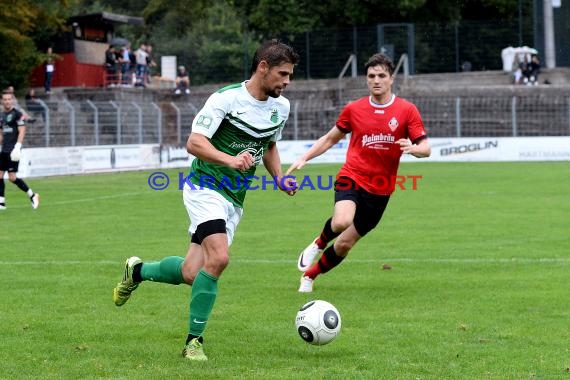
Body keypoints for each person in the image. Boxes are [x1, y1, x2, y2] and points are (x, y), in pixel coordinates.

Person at [112, 40, 299, 361]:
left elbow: (269, 146)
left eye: (290, 76)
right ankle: (193, 343)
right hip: (204, 187)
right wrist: (229, 159)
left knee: (190, 272)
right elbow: (194, 142)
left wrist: (279, 178)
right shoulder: (226, 99)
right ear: (263, 67)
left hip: (234, 198)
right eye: (283, 74)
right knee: (220, 258)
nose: (287, 82)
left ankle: (138, 272)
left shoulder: (280, 107)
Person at [285, 53, 431, 293]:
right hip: (352, 176)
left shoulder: (407, 110)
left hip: (381, 189)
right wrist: (304, 157)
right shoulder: (354, 109)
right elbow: (331, 138)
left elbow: (426, 148)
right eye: (371, 76)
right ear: (366, 79)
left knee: (344, 245)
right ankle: (318, 243)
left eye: (382, 75)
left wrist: (413, 149)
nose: (376, 80)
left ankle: (309, 277)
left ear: (391, 79)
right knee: (342, 220)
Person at [0, 90, 40, 210]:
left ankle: (32, 195)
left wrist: (18, 147)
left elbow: (22, 130)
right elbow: (1, 134)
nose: (7, 101)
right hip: (4, 150)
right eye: (5, 99)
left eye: (9, 99)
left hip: (13, 150)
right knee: (0, 174)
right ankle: (1, 202)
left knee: (12, 177)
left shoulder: (17, 114)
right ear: (2, 101)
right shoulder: (1, 116)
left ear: (11, 100)